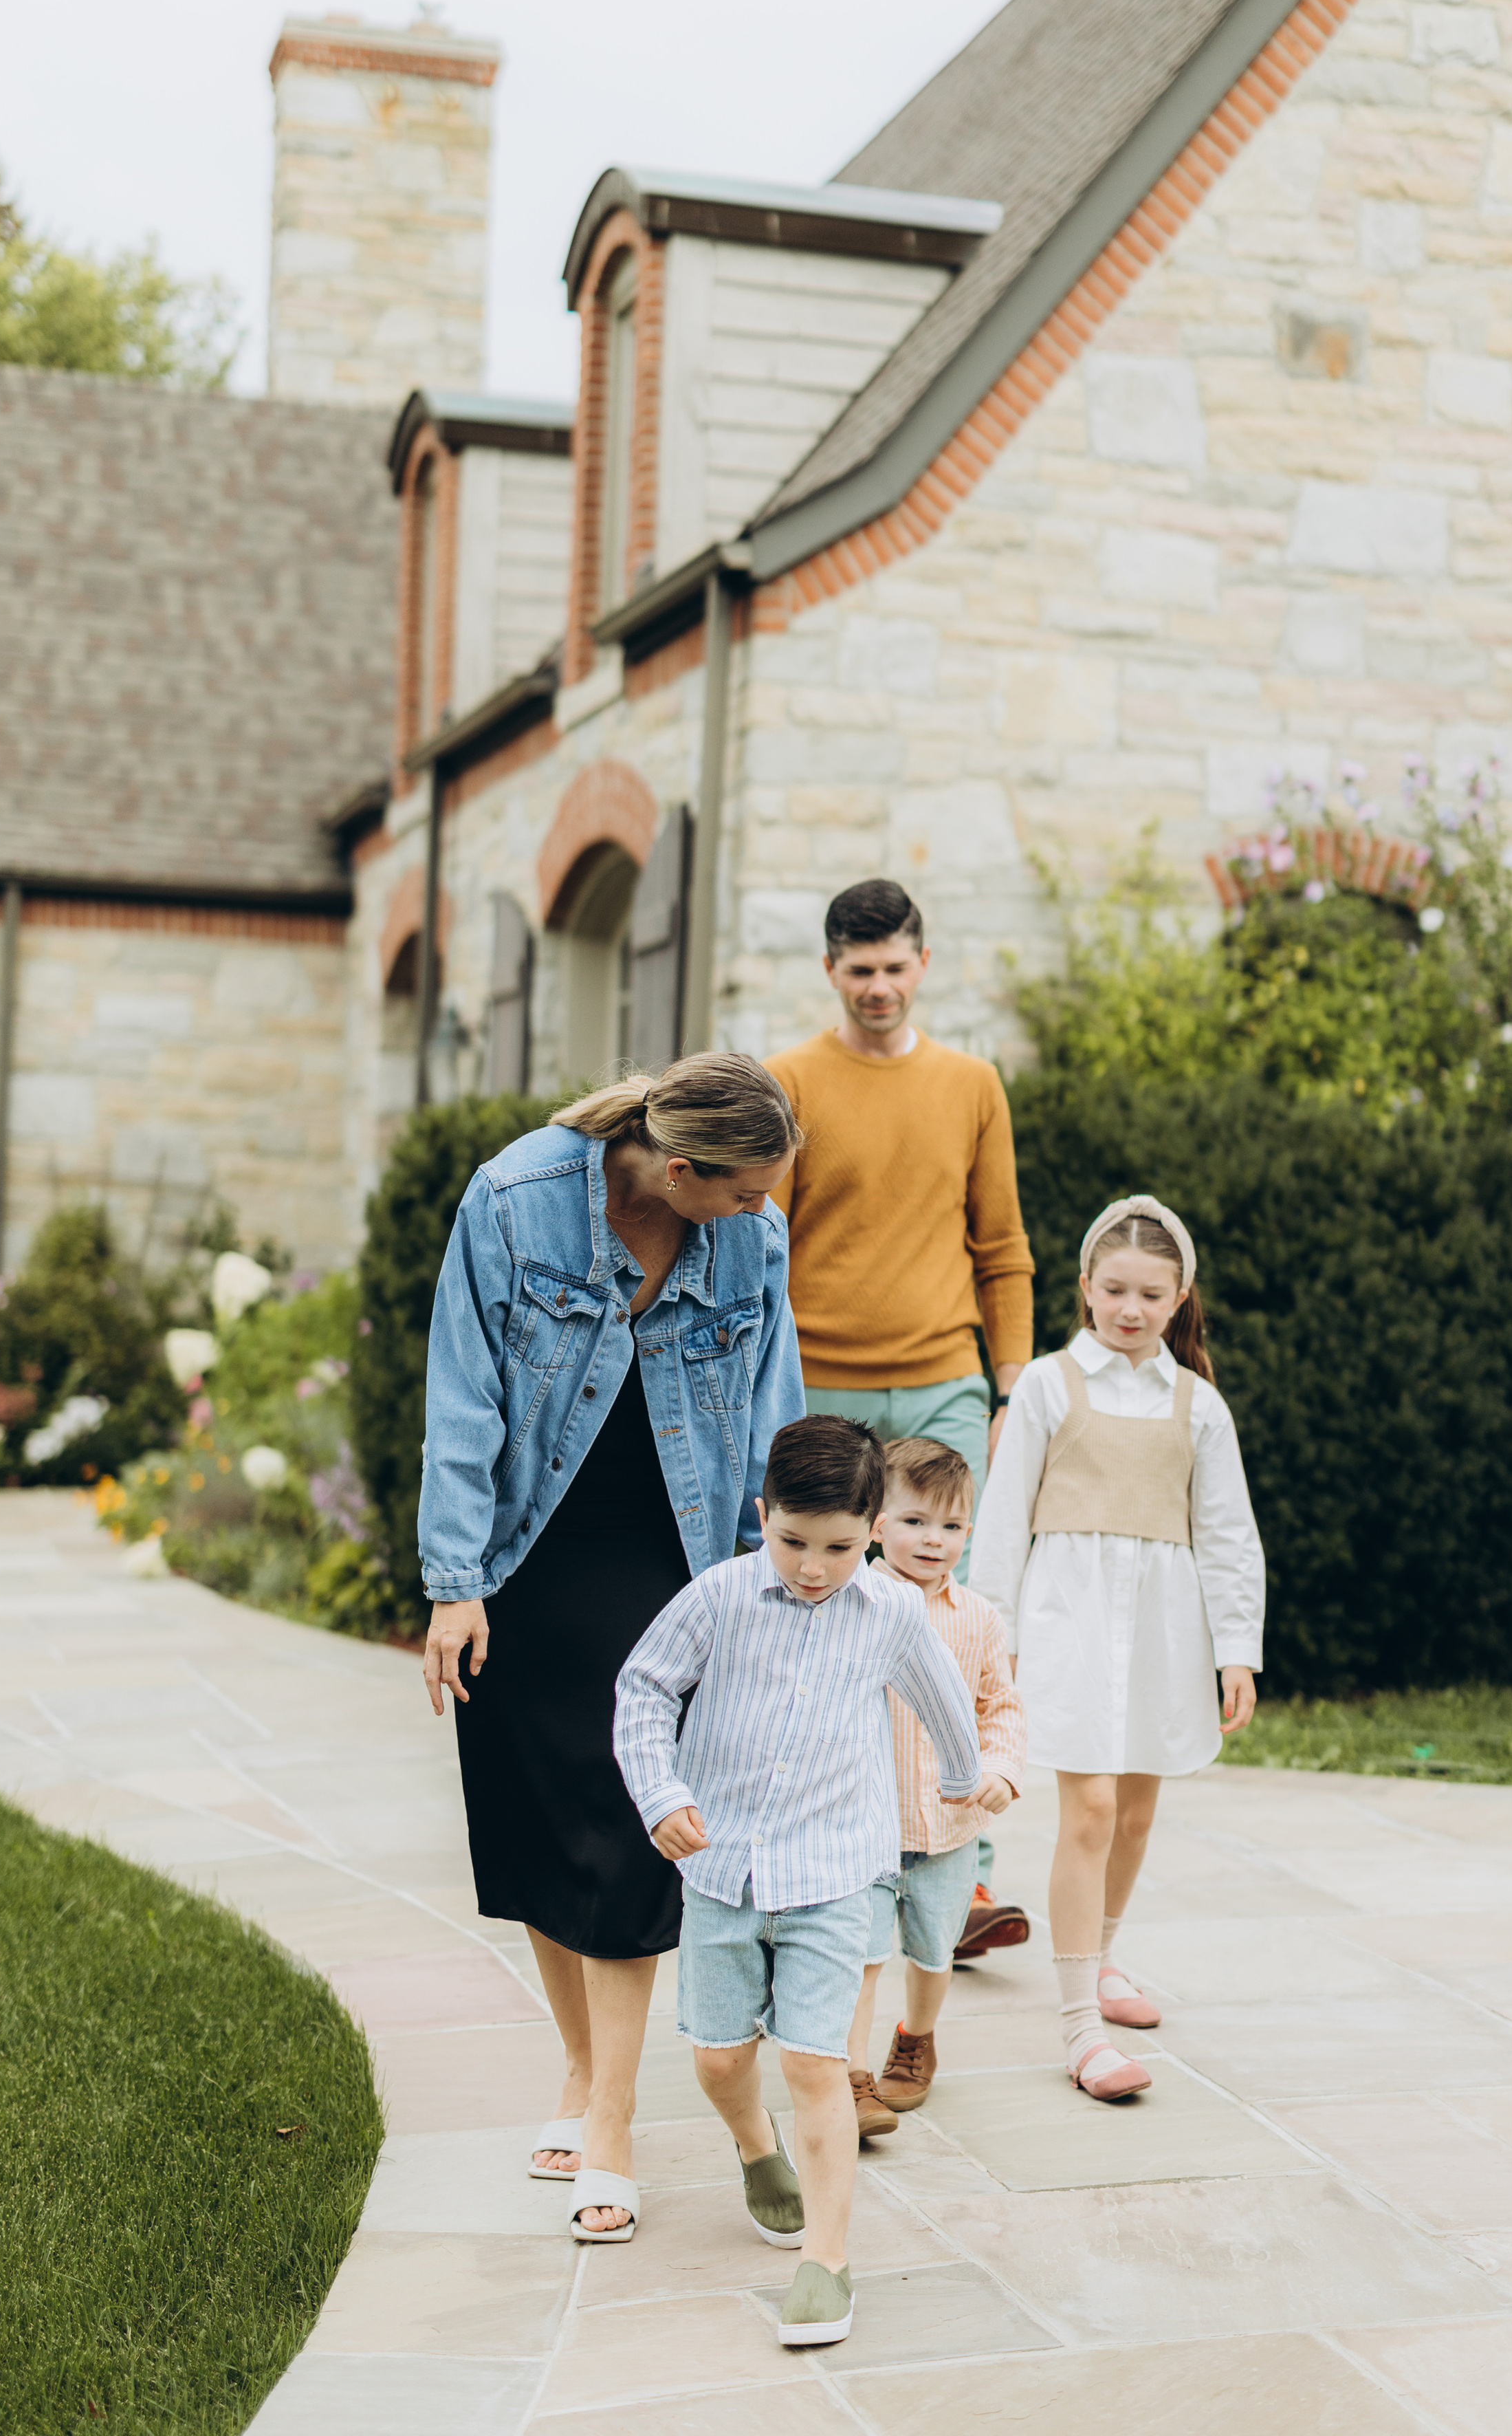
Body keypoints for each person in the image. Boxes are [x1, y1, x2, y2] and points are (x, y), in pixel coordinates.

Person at [418, 1054, 804, 2243]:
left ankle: (617, 2127)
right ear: (679, 1170)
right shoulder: (514, 1201)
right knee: (544, 1817)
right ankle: (584, 2075)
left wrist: (781, 1576)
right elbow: (463, 1397)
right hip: (531, 1545)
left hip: (670, 1549)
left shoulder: (752, 1236)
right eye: (741, 1191)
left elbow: (773, 1404)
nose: (763, 1211)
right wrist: (455, 1585)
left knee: (634, 1823)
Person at [613, 1416, 980, 2347]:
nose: (814, 1568)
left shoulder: (890, 1611)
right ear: (763, 1513)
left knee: (816, 2063)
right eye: (792, 1542)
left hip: (833, 1874)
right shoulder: (720, 1598)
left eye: (841, 1548)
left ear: (871, 1529)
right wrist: (660, 1795)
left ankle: (827, 2260)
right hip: (722, 1869)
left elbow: (941, 1696)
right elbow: (644, 1689)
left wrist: (965, 1779)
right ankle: (752, 2146)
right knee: (720, 2059)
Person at [766, 876, 1034, 1957]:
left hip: (940, 1380)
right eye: (859, 970)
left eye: (895, 967)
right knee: (827, 1616)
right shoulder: (790, 1082)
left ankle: (962, 1872)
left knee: (946, 1622)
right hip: (820, 1380)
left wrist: (1009, 1388)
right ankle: (840, 1846)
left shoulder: (972, 1084)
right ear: (832, 970)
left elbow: (1001, 1247)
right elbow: (761, 1248)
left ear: (924, 965)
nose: (879, 987)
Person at [969, 1196, 1264, 2102]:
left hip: (1163, 1634)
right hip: (1069, 1625)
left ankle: (1100, 1955)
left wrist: (1237, 1650)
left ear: (1179, 1299)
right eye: (1115, 1291)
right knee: (1089, 1810)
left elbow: (1225, 1533)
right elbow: (1003, 1517)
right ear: (1087, 1289)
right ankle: (1078, 2027)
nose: (1131, 1310)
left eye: (1151, 1295)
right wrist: (995, 1640)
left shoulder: (1198, 1404)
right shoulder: (1051, 1388)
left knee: (1136, 1815)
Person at [846, 1438, 1027, 2140]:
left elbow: (999, 1704)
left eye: (950, 1527)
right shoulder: (850, 1600)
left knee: (931, 1951)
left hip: (948, 1831)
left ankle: (915, 2038)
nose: (933, 1540)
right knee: (858, 1954)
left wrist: (1001, 1770)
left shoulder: (976, 1618)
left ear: (969, 1534)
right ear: (876, 1523)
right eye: (915, 1521)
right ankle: (849, 2075)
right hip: (865, 1826)